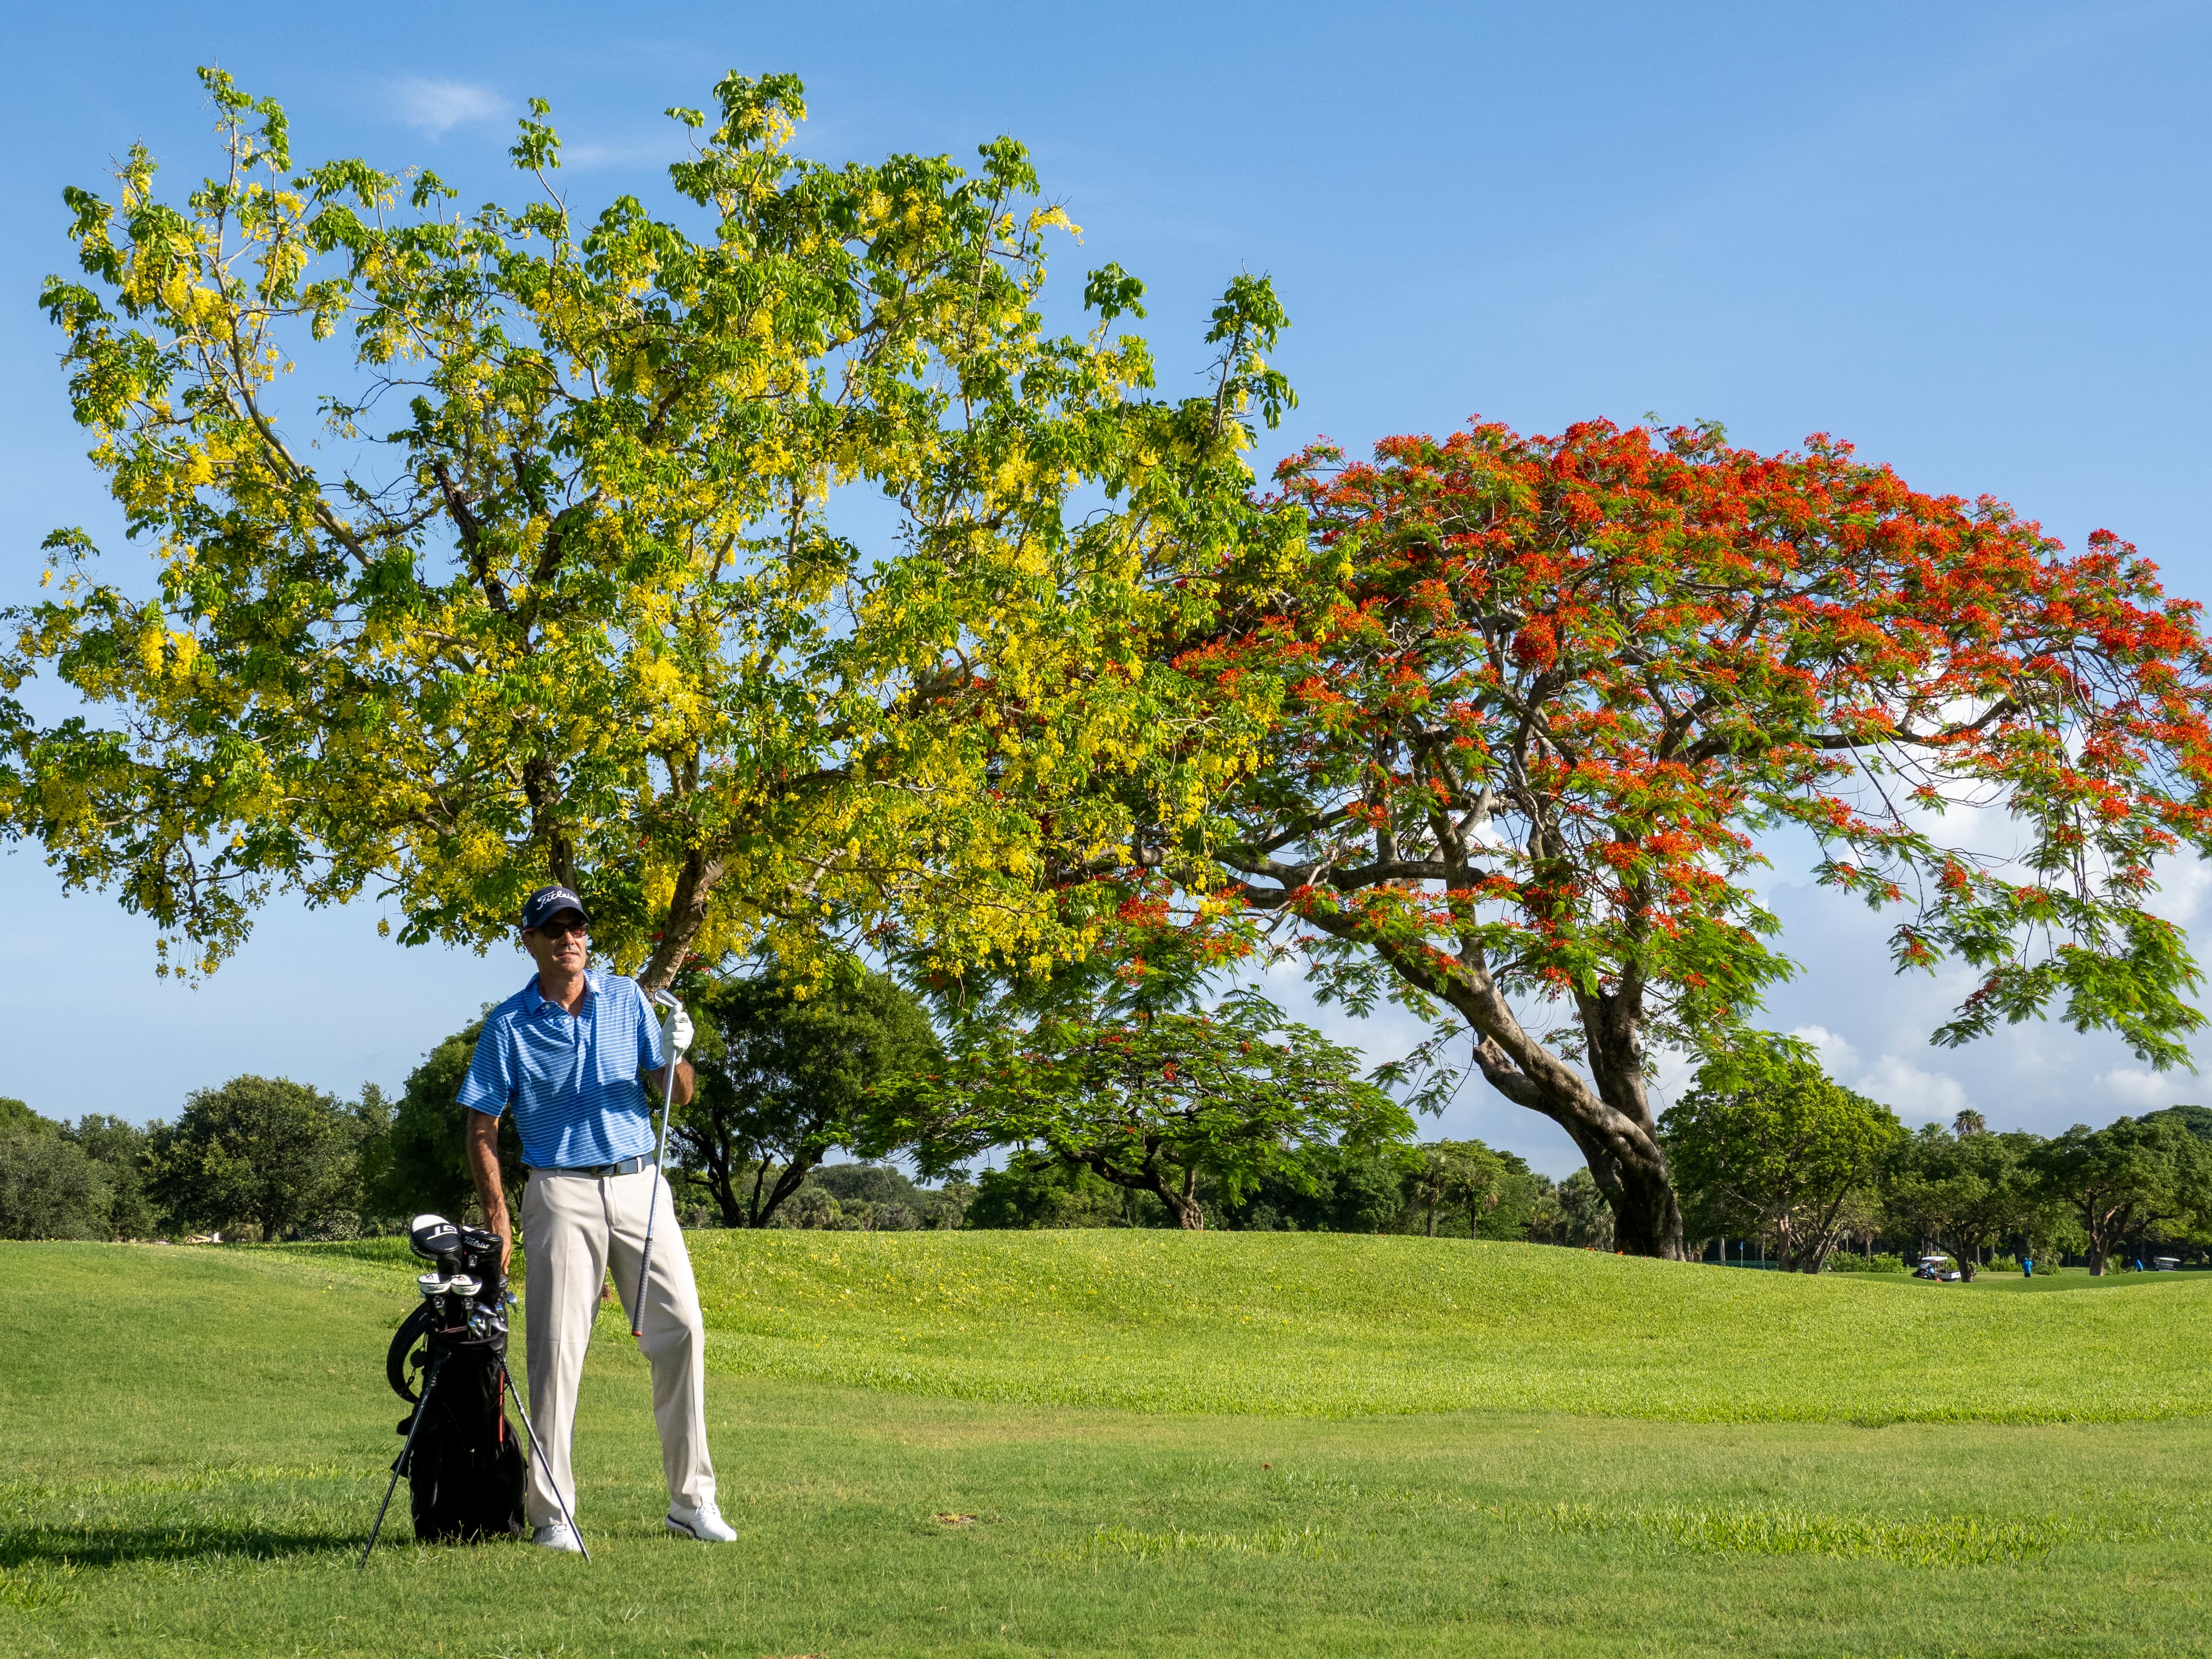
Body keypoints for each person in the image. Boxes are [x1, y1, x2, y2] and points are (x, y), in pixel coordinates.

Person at [459, 883, 735, 1551]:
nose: (569, 938)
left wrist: (676, 1050)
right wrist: (499, 1215)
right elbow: (481, 1126)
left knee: (684, 1332)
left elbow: (678, 1094)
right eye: (553, 929)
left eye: (577, 926)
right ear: (530, 942)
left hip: (640, 1184)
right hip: (560, 1190)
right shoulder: (509, 1025)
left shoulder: (627, 1000)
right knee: (555, 1354)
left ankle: (691, 1502)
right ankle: (553, 1514)